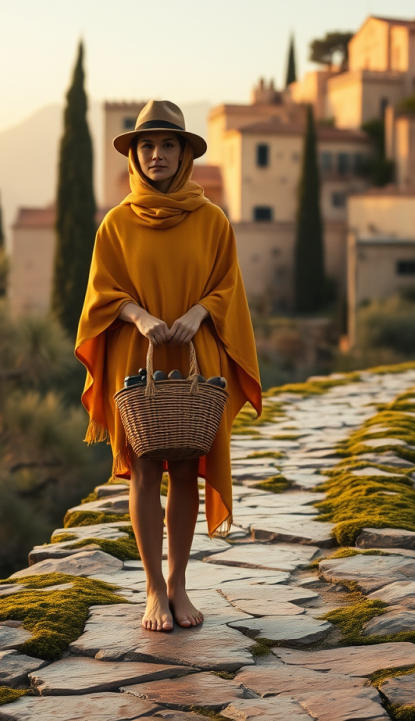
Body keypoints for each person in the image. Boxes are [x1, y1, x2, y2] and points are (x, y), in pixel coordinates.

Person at [76, 100, 261, 632]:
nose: (157, 155)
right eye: (148, 146)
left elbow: (228, 286)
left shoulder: (212, 221)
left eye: (168, 145)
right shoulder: (115, 224)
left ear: (184, 154)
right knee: (144, 469)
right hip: (139, 354)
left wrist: (199, 312)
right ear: (135, 155)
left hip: (198, 351)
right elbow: (101, 294)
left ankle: (180, 584)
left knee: (186, 467)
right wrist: (139, 318)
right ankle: (153, 591)